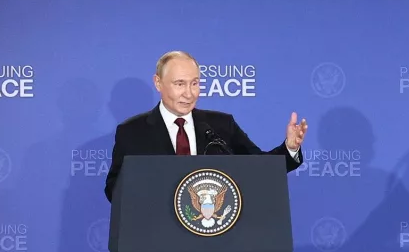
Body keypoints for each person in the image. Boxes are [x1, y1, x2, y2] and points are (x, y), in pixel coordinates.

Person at [105, 51, 307, 202]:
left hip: (216, 238)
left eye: (194, 83)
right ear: (158, 83)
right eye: (179, 84)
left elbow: (258, 167)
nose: (189, 93)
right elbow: (115, 189)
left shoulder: (220, 125)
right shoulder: (132, 132)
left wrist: (290, 148)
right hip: (157, 237)